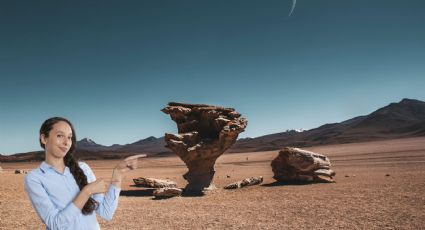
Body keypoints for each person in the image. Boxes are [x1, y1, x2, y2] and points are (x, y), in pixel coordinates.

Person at [24, 117, 146, 230]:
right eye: (60, 135)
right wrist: (87, 192)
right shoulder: (35, 178)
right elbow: (56, 224)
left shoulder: (83, 168)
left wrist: (118, 174)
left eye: (70, 137)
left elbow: (106, 212)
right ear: (44, 138)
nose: (66, 142)